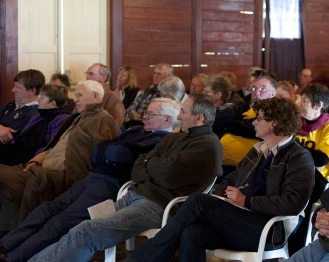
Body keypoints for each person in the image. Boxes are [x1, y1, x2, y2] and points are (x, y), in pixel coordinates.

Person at [28, 93, 223, 262]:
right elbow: (137, 167)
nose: (178, 117)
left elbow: (168, 177)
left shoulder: (207, 146)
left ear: (199, 117)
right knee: (80, 224)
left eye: (183, 112)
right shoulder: (175, 137)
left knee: (89, 230)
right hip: (132, 195)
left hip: (157, 206)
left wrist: (150, 164)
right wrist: (152, 165)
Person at [127, 97, 315, 262]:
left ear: (273, 123)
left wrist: (246, 201)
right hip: (241, 218)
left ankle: (144, 258)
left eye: (259, 118)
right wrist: (224, 195)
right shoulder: (258, 150)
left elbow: (292, 203)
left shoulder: (298, 157)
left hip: (269, 229)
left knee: (198, 200)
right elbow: (229, 179)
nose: (253, 123)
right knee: (192, 233)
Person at [0, 98, 176, 261]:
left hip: (110, 186)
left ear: (167, 120)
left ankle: (14, 258)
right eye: (146, 112)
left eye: (151, 114)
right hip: (93, 176)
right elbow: (99, 149)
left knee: (61, 221)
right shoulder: (137, 130)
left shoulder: (161, 140)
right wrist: (111, 153)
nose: (145, 116)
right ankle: (5, 245)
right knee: (47, 208)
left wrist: (111, 152)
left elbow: (119, 152)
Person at [0, 80, 121, 219]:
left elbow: (84, 165)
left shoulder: (102, 121)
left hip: (56, 176)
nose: (75, 100)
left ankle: (10, 233)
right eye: (75, 95)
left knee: (8, 180)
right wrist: (35, 161)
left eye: (79, 95)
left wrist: (41, 168)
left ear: (95, 96)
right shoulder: (78, 118)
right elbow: (54, 146)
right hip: (42, 167)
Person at [0, 85, 71, 166]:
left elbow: (52, 146)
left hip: (33, 157)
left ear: (52, 103)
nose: (38, 100)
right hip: (19, 151)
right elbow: (22, 135)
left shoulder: (62, 119)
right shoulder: (38, 116)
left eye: (42, 98)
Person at [219, 74, 278, 167]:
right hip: (225, 163)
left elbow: (251, 129)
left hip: (252, 167)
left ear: (273, 93)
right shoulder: (244, 107)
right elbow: (223, 123)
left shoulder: (274, 112)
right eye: (254, 89)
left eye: (262, 89)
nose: (257, 93)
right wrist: (241, 122)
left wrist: (234, 125)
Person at [0, 70, 45, 146]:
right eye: (15, 86)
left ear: (32, 91)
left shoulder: (36, 114)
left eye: (18, 87)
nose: (13, 90)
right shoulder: (10, 105)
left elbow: (10, 137)